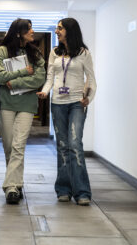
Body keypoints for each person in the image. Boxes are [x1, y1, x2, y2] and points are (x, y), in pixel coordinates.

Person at [37, 18, 96, 205]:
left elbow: (92, 80)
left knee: (75, 144)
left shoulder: (84, 53)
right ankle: (63, 189)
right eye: (56, 28)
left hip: (76, 103)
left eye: (60, 28)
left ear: (70, 30)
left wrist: (88, 97)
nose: (56, 31)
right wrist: (45, 92)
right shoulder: (55, 52)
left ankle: (82, 192)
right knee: (62, 145)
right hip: (57, 103)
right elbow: (50, 78)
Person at [0, 19, 46, 204]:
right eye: (29, 29)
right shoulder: (3, 51)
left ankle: (10, 188)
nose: (32, 31)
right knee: (9, 146)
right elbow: (0, 77)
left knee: (19, 146)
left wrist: (14, 82)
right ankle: (16, 183)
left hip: (27, 105)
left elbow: (39, 79)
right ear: (18, 32)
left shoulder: (36, 52)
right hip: (6, 104)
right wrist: (24, 71)